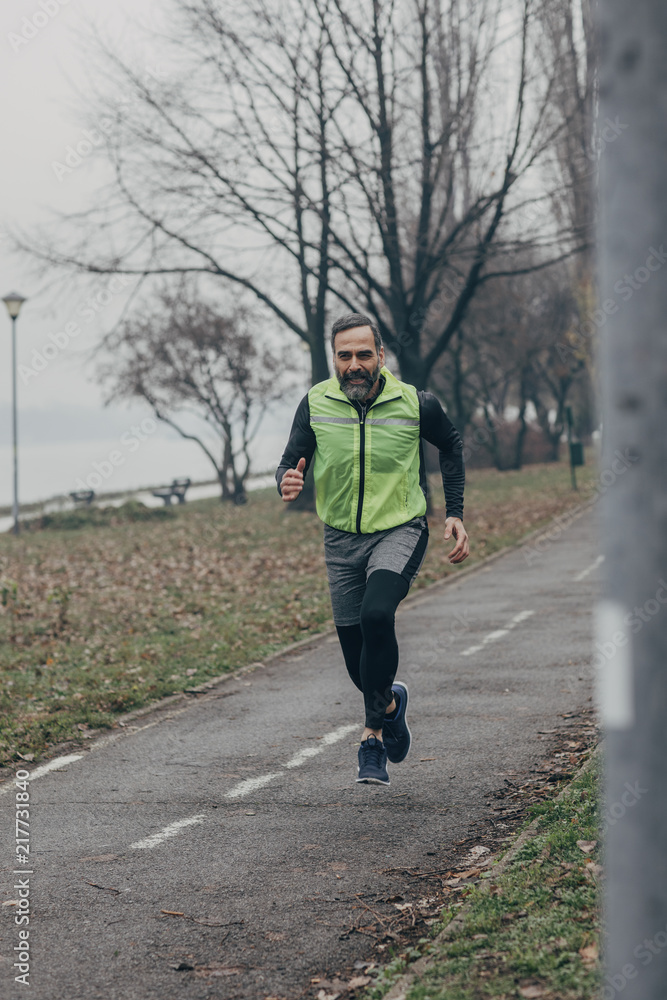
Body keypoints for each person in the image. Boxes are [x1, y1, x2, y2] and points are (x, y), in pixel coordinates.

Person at [276, 313, 469, 786]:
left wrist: (455, 510)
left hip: (400, 528)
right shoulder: (315, 404)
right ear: (334, 360)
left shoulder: (414, 403)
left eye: (365, 354)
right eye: (346, 355)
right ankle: (389, 702)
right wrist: (286, 479)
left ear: (381, 356)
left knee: (377, 615)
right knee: (358, 665)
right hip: (340, 539)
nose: (355, 364)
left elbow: (451, 445)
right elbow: (289, 459)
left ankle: (372, 739)